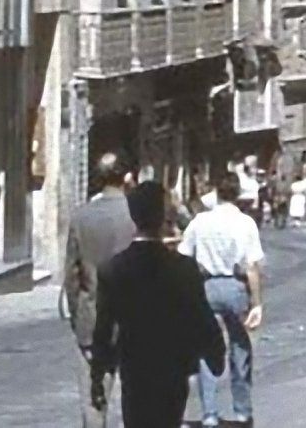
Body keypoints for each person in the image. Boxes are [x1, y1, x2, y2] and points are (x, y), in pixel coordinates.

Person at [91, 181, 227, 428]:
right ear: (162, 217)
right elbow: (201, 317)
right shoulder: (184, 268)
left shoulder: (113, 269)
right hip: (173, 370)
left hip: (135, 370)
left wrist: (98, 372)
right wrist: (215, 353)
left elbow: (103, 327)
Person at [179, 172, 266, 428]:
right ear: (237, 194)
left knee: (207, 348)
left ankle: (209, 413)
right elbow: (252, 266)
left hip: (206, 286)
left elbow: (184, 256)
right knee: (240, 347)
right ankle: (242, 411)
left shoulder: (200, 221)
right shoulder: (245, 223)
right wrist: (257, 302)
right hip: (235, 286)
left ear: (216, 192)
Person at [65, 155, 138, 428]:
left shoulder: (81, 217)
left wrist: (79, 317)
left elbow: (71, 277)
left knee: (94, 401)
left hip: (94, 318)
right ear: (126, 177)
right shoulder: (140, 216)